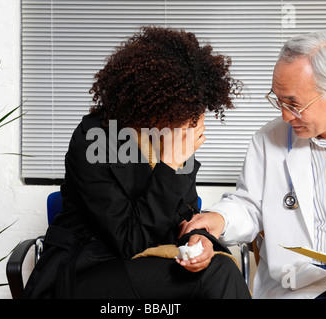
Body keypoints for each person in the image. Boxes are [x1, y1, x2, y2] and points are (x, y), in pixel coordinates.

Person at [23, 26, 250, 299]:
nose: (191, 123)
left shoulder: (173, 137)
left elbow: (184, 213)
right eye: (184, 111)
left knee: (217, 266)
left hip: (146, 267)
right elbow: (129, 241)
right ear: (154, 100)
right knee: (219, 274)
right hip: (86, 269)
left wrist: (197, 238)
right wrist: (171, 163)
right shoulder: (94, 139)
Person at [181, 31, 326, 299]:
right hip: (302, 286)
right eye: (279, 101)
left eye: (294, 104)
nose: (285, 115)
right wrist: (220, 219)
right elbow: (248, 205)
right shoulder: (268, 140)